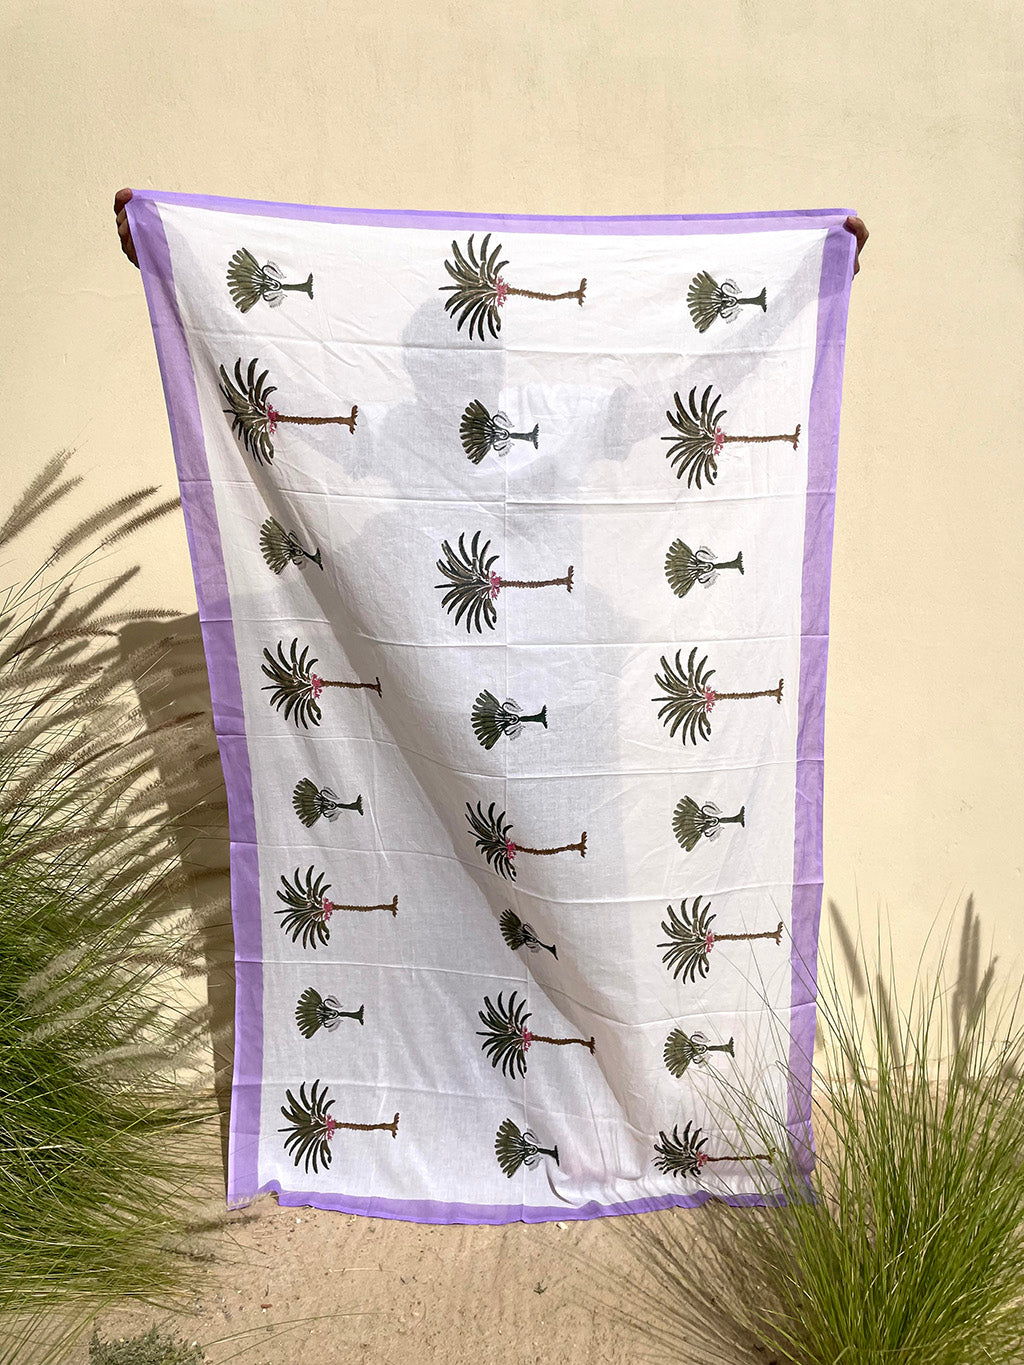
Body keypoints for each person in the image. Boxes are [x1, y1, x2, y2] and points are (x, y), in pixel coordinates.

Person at [112, 188, 868, 275]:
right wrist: (181, 269)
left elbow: (643, 404)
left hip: (569, 657)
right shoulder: (394, 428)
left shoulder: (557, 406)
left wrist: (804, 282)